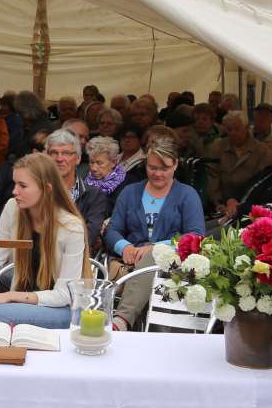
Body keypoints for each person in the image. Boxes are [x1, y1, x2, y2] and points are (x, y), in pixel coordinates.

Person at [106, 137, 207, 331]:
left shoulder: (187, 194)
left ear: (176, 165)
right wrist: (124, 246)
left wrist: (157, 248)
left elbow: (196, 235)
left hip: (173, 266)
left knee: (156, 253)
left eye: (164, 168)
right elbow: (113, 230)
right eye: (152, 168)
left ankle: (121, 321)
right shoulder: (130, 192)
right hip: (131, 263)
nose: (158, 174)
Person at [0, 153, 87, 330]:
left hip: (60, 309)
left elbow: (65, 295)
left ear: (46, 189)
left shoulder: (72, 227)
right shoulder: (12, 208)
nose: (15, 191)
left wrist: (10, 296)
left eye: (22, 185)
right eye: (14, 183)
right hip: (19, 305)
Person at [45, 129, 111, 256]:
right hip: (40, 258)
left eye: (66, 153)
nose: (59, 158)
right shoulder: (37, 191)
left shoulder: (95, 195)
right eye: (54, 153)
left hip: (77, 260)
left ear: (78, 159)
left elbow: (89, 236)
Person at [206, 112, 270, 218]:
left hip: (248, 203)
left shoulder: (261, 150)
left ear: (246, 128)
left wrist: (241, 205)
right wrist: (218, 202)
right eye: (229, 130)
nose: (233, 133)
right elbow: (213, 177)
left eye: (237, 129)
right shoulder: (217, 146)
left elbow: (260, 181)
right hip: (222, 203)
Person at [84, 136, 127, 201]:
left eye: (99, 163)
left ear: (113, 162)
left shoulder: (126, 185)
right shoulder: (84, 181)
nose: (93, 169)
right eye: (92, 162)